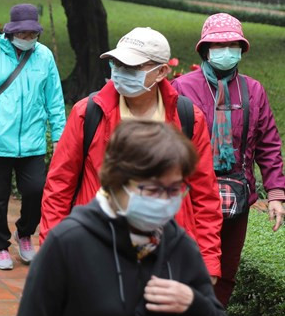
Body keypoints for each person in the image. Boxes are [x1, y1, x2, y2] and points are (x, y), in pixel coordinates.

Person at [14, 120, 231, 316]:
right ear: (118, 182)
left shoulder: (179, 246)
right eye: (152, 189)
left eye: (174, 189)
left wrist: (193, 304)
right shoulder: (69, 243)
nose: (165, 200)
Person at [40, 27, 223, 287]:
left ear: (161, 72)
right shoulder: (88, 113)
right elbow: (58, 187)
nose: (121, 72)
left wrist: (208, 261)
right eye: (117, 64)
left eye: (132, 67)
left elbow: (204, 194)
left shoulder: (187, 118)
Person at [172, 13, 285, 316]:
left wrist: (276, 192)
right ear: (205, 49)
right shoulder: (182, 88)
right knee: (194, 268)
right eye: (219, 45)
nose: (226, 50)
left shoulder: (252, 90)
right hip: (192, 195)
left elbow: (268, 144)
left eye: (233, 44)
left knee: (227, 272)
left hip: (237, 194)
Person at [0, 4, 66, 270]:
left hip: (32, 142)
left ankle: (25, 233)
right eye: (23, 34)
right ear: (11, 32)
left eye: (33, 34)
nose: (28, 38)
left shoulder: (44, 56)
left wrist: (59, 136)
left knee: (36, 190)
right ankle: (0, 247)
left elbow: (55, 100)